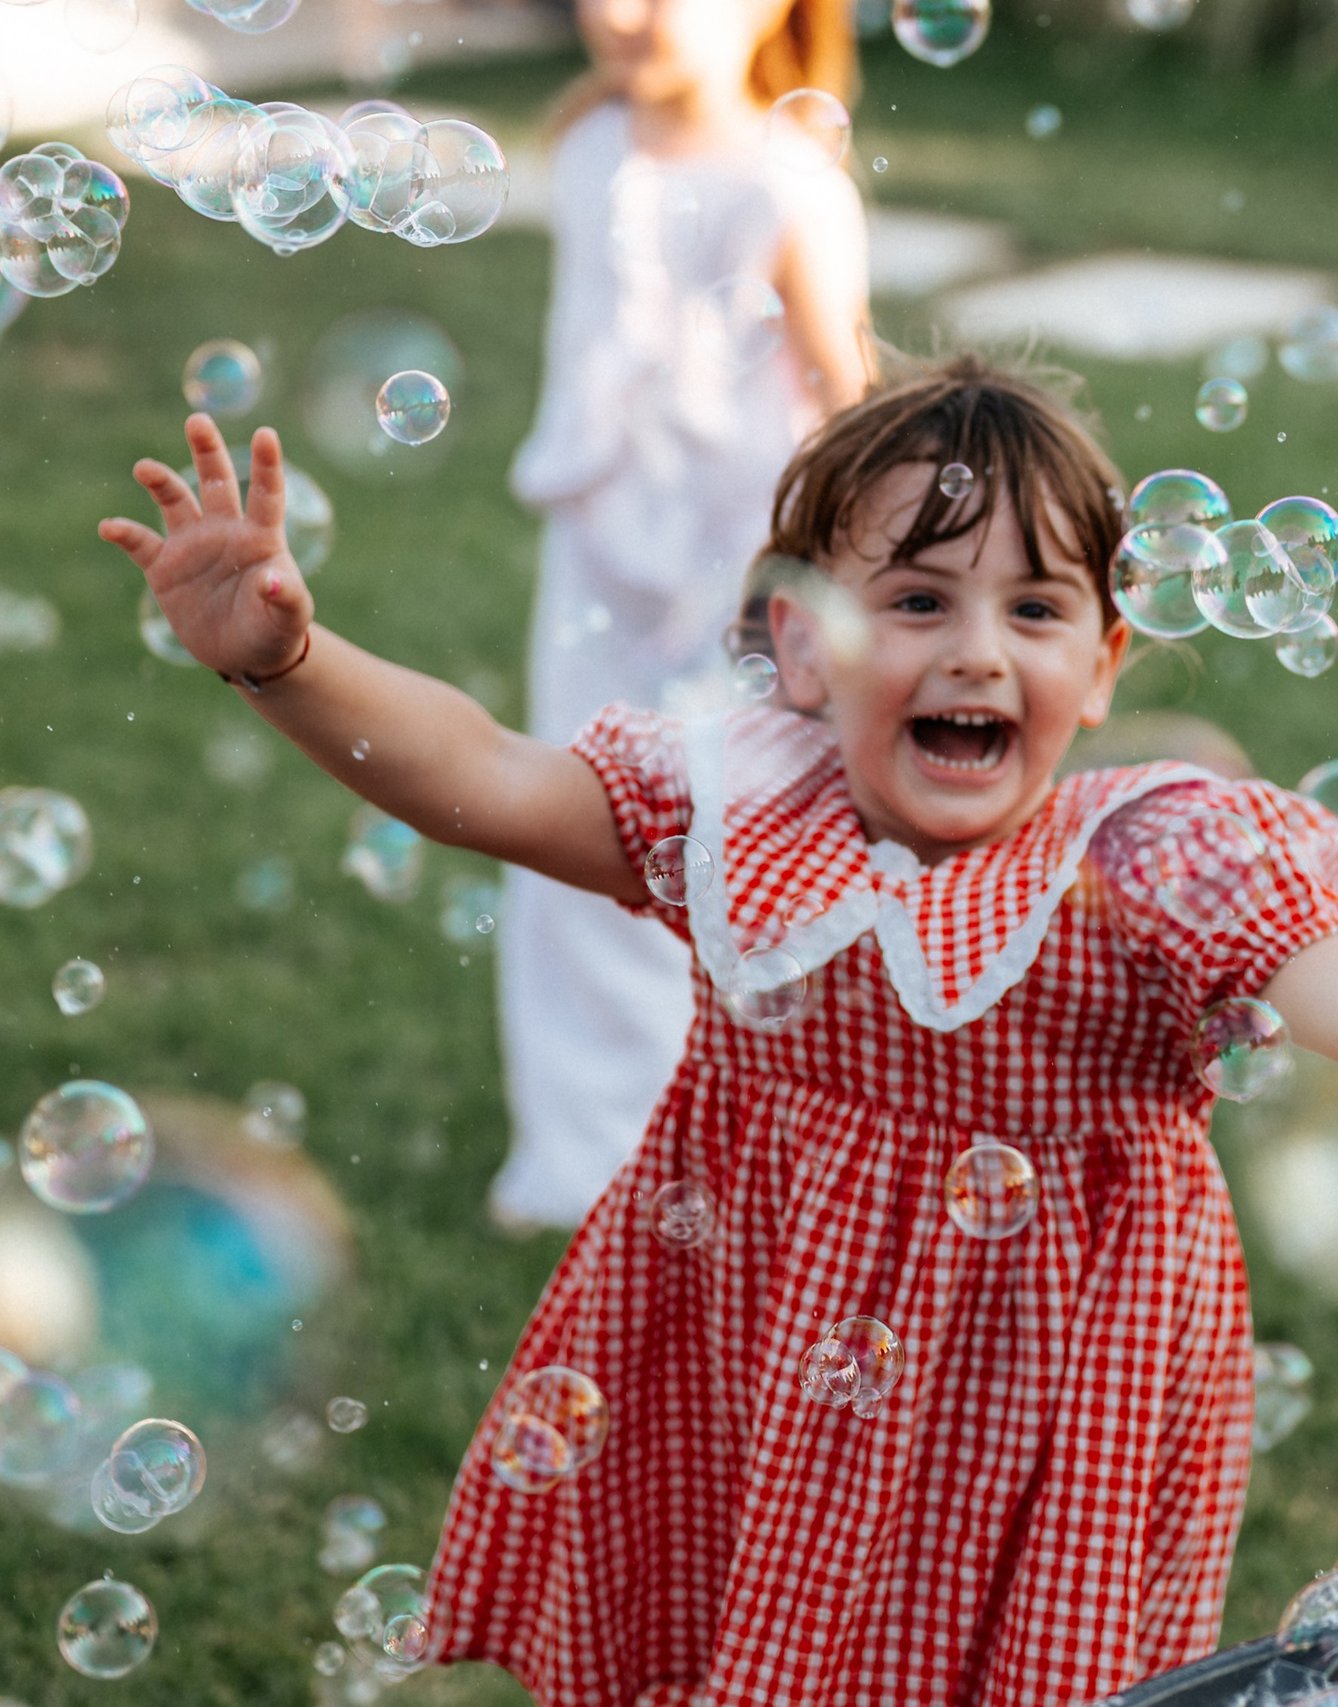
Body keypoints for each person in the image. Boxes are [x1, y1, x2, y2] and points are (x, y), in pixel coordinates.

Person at [98, 358, 1338, 1707]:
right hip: (764, 1320)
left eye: (1037, 606)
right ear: (801, 644)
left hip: (1053, 1378)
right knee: (769, 1633)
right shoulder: (734, 811)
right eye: (916, 599)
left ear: (1104, 656)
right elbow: (487, 777)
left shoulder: (1153, 861)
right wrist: (288, 660)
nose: (977, 649)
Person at [495, 0, 871, 1230]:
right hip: (600, 553)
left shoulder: (788, 181)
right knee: (568, 837)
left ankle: (710, 1137)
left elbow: (845, 400)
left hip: (733, 576)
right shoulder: (597, 140)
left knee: (711, 849)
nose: (622, 12)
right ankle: (585, 1149)